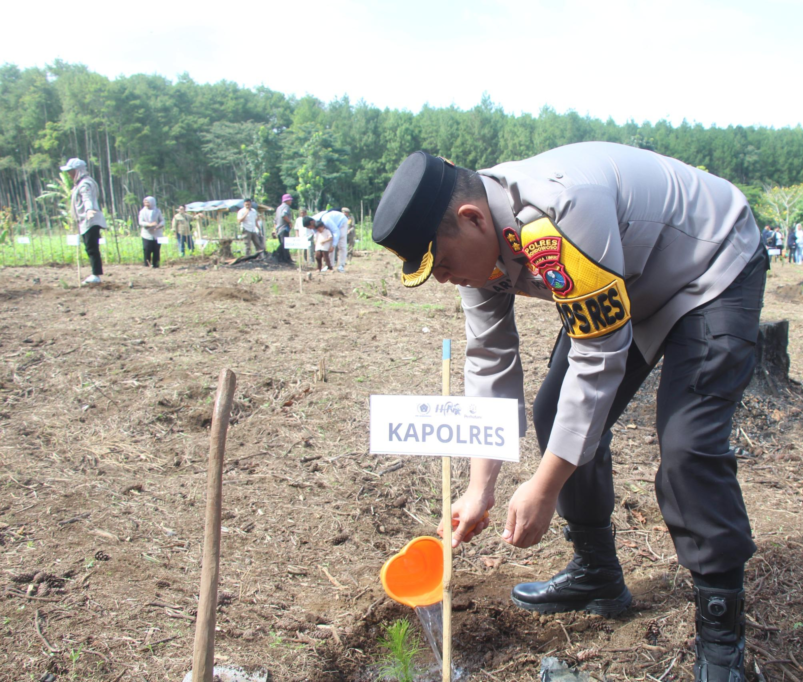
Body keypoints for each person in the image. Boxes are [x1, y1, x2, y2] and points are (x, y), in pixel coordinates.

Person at [373, 144, 767, 681]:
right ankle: (597, 572)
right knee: (555, 410)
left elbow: (599, 353)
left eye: (441, 265)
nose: (444, 280)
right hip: (625, 281)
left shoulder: (558, 211)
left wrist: (545, 485)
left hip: (707, 265)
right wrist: (479, 488)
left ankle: (721, 637)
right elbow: (489, 358)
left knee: (687, 447)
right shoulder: (477, 247)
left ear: (472, 219)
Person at [62, 157, 107, 284]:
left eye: (71, 171)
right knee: (89, 247)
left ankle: (96, 275)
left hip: (90, 219)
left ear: (78, 170)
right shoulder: (80, 183)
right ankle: (95, 274)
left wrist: (89, 210)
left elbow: (87, 199)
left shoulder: (85, 184)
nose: (69, 174)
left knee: (92, 248)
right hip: (85, 220)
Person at [139, 196, 165, 268]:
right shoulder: (142, 212)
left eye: (148, 202)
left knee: (156, 250)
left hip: (157, 233)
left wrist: (159, 225)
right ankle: (147, 264)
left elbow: (162, 220)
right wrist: (149, 224)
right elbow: (141, 221)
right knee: (147, 249)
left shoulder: (157, 211)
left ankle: (156, 264)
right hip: (147, 234)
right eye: (145, 202)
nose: (146, 203)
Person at [274, 193, 294, 264]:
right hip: (284, 228)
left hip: (279, 229)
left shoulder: (278, 208)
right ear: (287, 200)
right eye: (290, 200)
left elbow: (275, 220)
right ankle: (286, 259)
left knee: (283, 244)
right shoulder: (286, 207)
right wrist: (289, 222)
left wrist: (275, 229)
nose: (291, 202)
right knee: (285, 244)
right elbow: (284, 215)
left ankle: (283, 258)